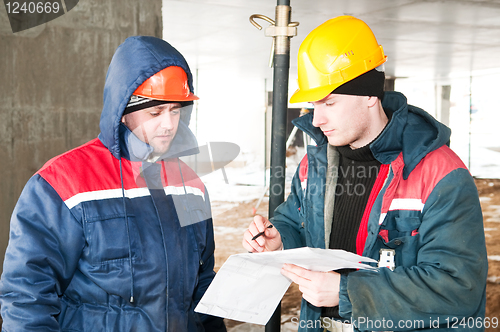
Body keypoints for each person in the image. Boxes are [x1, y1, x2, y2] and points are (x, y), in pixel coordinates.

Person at [243, 16, 487, 332]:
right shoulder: (316, 163)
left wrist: (348, 293)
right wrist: (278, 239)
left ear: (370, 95)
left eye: (329, 102)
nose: (317, 120)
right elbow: (296, 221)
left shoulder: (439, 173)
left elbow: (458, 287)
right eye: (313, 105)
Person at [0, 36, 226, 331]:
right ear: (123, 109)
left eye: (176, 110)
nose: (169, 124)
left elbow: (202, 287)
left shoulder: (191, 185)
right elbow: (26, 297)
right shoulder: (63, 183)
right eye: (155, 112)